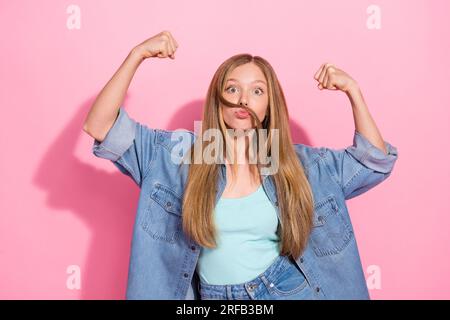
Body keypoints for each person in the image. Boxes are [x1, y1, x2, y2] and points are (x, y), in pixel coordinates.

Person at [83, 30, 398, 300]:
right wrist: (137, 55)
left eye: (256, 91)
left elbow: (374, 162)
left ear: (268, 102)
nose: (243, 99)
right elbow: (101, 126)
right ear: (218, 100)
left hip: (285, 289)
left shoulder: (303, 164)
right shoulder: (174, 155)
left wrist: (353, 91)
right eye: (232, 88)